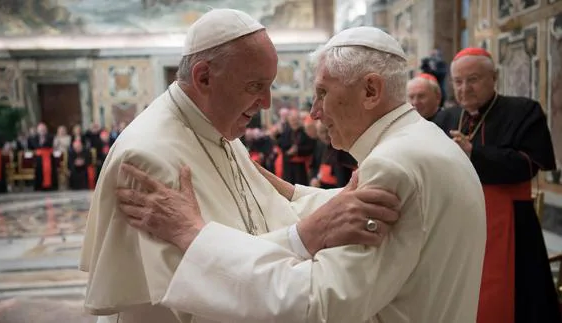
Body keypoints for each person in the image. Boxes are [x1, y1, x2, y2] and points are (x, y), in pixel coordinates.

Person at [115, 26, 487, 322]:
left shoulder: (392, 165)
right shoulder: (426, 141)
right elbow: (394, 217)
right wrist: (291, 193)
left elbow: (317, 304)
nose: (315, 112)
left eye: (322, 92)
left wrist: (192, 235)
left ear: (370, 90)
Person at [80, 9, 401, 323]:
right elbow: (201, 298)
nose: (267, 103)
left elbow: (269, 213)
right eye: (255, 86)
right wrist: (306, 236)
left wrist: (342, 201)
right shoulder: (147, 157)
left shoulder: (220, 131)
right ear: (204, 77)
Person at [433, 47, 561, 323]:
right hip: (456, 222)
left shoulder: (524, 111)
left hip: (510, 220)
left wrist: (474, 154)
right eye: (457, 81)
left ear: (495, 77)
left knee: (515, 298)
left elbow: (528, 164)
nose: (464, 88)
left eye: (473, 79)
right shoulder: (446, 118)